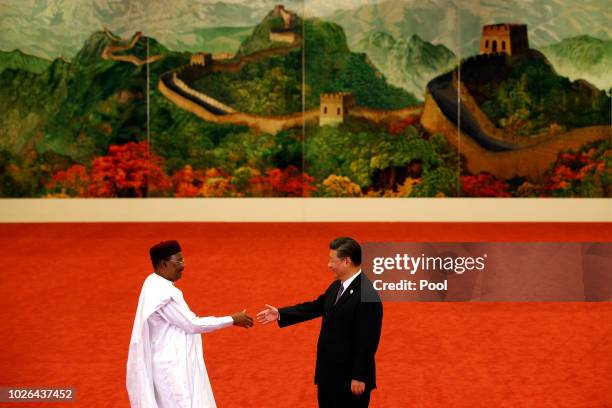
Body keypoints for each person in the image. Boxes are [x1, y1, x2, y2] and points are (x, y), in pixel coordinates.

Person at [257, 237, 383, 407]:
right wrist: (280, 313)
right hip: (329, 376)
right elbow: (315, 307)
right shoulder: (337, 286)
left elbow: (367, 341)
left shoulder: (368, 296)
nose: (328, 265)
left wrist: (359, 376)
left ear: (347, 261)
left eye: (332, 260)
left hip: (350, 382)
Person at [127, 240, 253, 408]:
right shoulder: (163, 293)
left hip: (170, 362)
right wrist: (232, 319)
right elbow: (192, 325)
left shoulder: (153, 283)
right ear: (163, 264)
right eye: (178, 261)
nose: (183, 265)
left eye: (183, 259)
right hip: (172, 368)